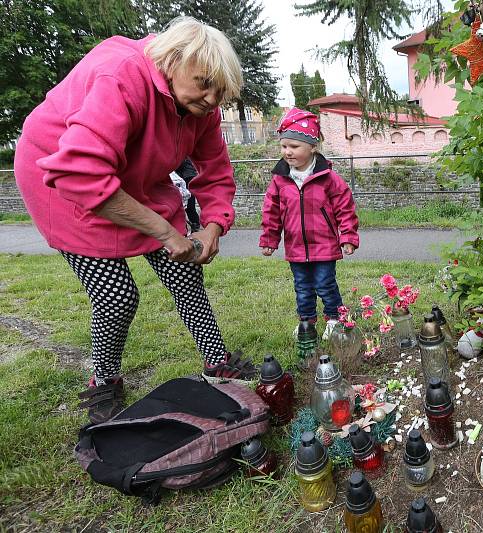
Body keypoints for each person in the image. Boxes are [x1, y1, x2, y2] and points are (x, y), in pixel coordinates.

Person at [13, 17, 258, 424]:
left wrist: (212, 225)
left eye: (221, 92)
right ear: (173, 60)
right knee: (117, 297)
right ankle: (104, 380)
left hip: (136, 176)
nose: (213, 99)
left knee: (185, 272)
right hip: (63, 180)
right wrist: (164, 231)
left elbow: (215, 171)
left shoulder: (200, 107)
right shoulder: (121, 74)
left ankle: (216, 363)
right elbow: (80, 173)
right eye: (203, 84)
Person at [259, 108, 359, 340]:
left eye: (294, 146)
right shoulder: (280, 179)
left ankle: (335, 320)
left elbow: (345, 207)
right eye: (284, 146)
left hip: (324, 246)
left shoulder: (328, 178)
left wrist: (348, 237)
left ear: (312, 146)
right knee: (302, 288)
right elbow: (271, 211)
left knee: (325, 285)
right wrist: (269, 240)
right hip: (295, 247)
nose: (288, 152)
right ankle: (307, 323)